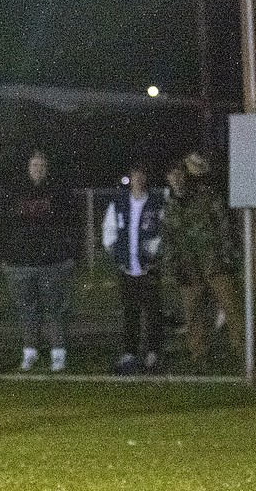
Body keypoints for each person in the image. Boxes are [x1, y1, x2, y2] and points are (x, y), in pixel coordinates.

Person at [161, 153, 244, 371]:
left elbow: (225, 228)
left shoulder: (207, 197)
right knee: (193, 314)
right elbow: (169, 238)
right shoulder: (171, 205)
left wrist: (227, 257)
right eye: (172, 176)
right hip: (189, 268)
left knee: (232, 308)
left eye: (180, 174)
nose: (177, 179)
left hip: (214, 263)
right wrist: (173, 267)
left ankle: (242, 352)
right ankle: (199, 357)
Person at [0, 148, 76, 372]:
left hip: (51, 262)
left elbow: (70, 225)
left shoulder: (58, 192)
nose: (38, 169)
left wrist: (70, 254)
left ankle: (58, 353)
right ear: (28, 168)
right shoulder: (15, 192)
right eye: (34, 165)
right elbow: (4, 227)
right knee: (26, 310)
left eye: (41, 166)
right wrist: (5, 255)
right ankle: (30, 351)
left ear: (47, 169)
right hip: (21, 263)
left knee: (53, 309)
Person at [102, 161, 165, 374]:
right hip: (127, 268)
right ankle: (130, 353)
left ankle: (153, 353)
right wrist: (118, 256)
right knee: (131, 312)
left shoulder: (156, 203)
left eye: (142, 175)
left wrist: (155, 255)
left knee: (153, 312)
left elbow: (162, 233)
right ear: (130, 177)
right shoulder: (119, 203)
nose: (138, 179)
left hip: (149, 268)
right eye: (135, 174)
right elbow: (109, 231)